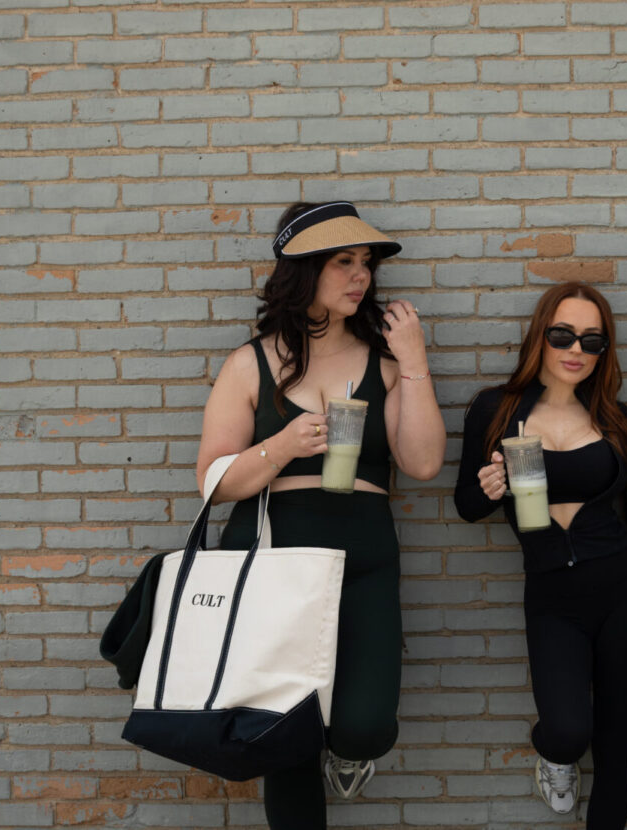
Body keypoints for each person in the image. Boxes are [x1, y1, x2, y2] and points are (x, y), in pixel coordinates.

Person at [195, 201, 445, 830]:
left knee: (363, 727)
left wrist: (413, 359)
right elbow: (213, 481)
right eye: (343, 262)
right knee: (284, 740)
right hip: (271, 558)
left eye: (365, 263)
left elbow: (421, 463)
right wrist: (282, 446)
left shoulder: (385, 366)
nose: (360, 275)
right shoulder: (249, 363)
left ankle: (347, 751)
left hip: (361, 555)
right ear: (302, 270)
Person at [455, 282, 627, 828]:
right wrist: (487, 488)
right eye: (563, 335)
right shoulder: (496, 410)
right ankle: (552, 755)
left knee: (615, 746)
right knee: (569, 730)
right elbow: (465, 506)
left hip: (626, 592)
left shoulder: (615, 420)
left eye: (592, 341)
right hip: (553, 596)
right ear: (541, 338)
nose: (576, 350)